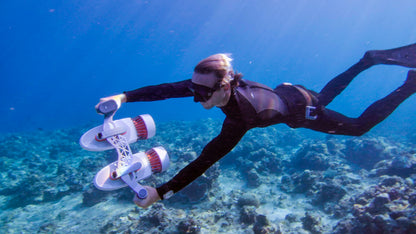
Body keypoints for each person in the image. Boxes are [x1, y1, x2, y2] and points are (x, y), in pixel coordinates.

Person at [96, 43, 416, 208]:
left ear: (224, 87)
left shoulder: (243, 115)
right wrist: (123, 97)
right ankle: (367, 60)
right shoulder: (208, 84)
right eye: (193, 89)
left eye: (203, 93)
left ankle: (409, 85)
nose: (195, 97)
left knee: (357, 126)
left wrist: (161, 192)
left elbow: (206, 158)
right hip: (286, 90)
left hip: (298, 107)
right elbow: (166, 89)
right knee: (324, 95)